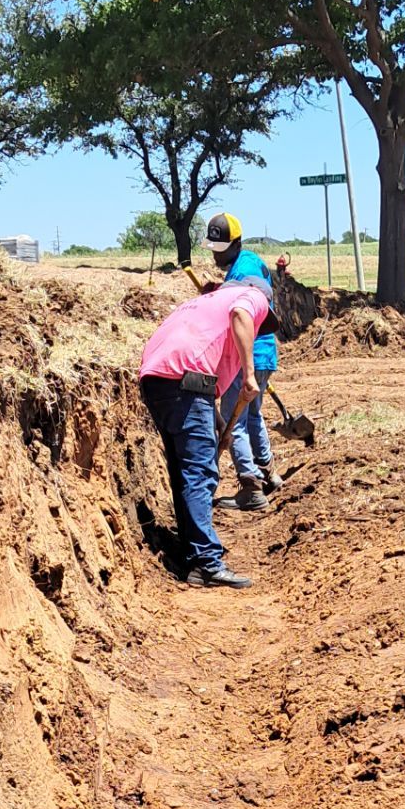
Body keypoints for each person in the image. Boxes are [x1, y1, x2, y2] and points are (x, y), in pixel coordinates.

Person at [137, 277, 277, 588]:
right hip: (185, 381)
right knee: (200, 472)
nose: (257, 328)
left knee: (183, 468)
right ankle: (206, 563)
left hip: (158, 380)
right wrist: (250, 375)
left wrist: (217, 423)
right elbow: (242, 313)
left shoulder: (203, 304)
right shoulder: (249, 297)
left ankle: (193, 553)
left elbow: (199, 370)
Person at [204, 212, 289, 512]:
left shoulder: (245, 269)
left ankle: (250, 486)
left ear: (235, 243)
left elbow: (244, 305)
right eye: (213, 248)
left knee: (232, 420)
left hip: (248, 353)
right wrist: (216, 292)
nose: (215, 255)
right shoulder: (246, 263)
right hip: (264, 353)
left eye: (221, 248)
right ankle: (268, 472)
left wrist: (216, 296)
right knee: (253, 415)